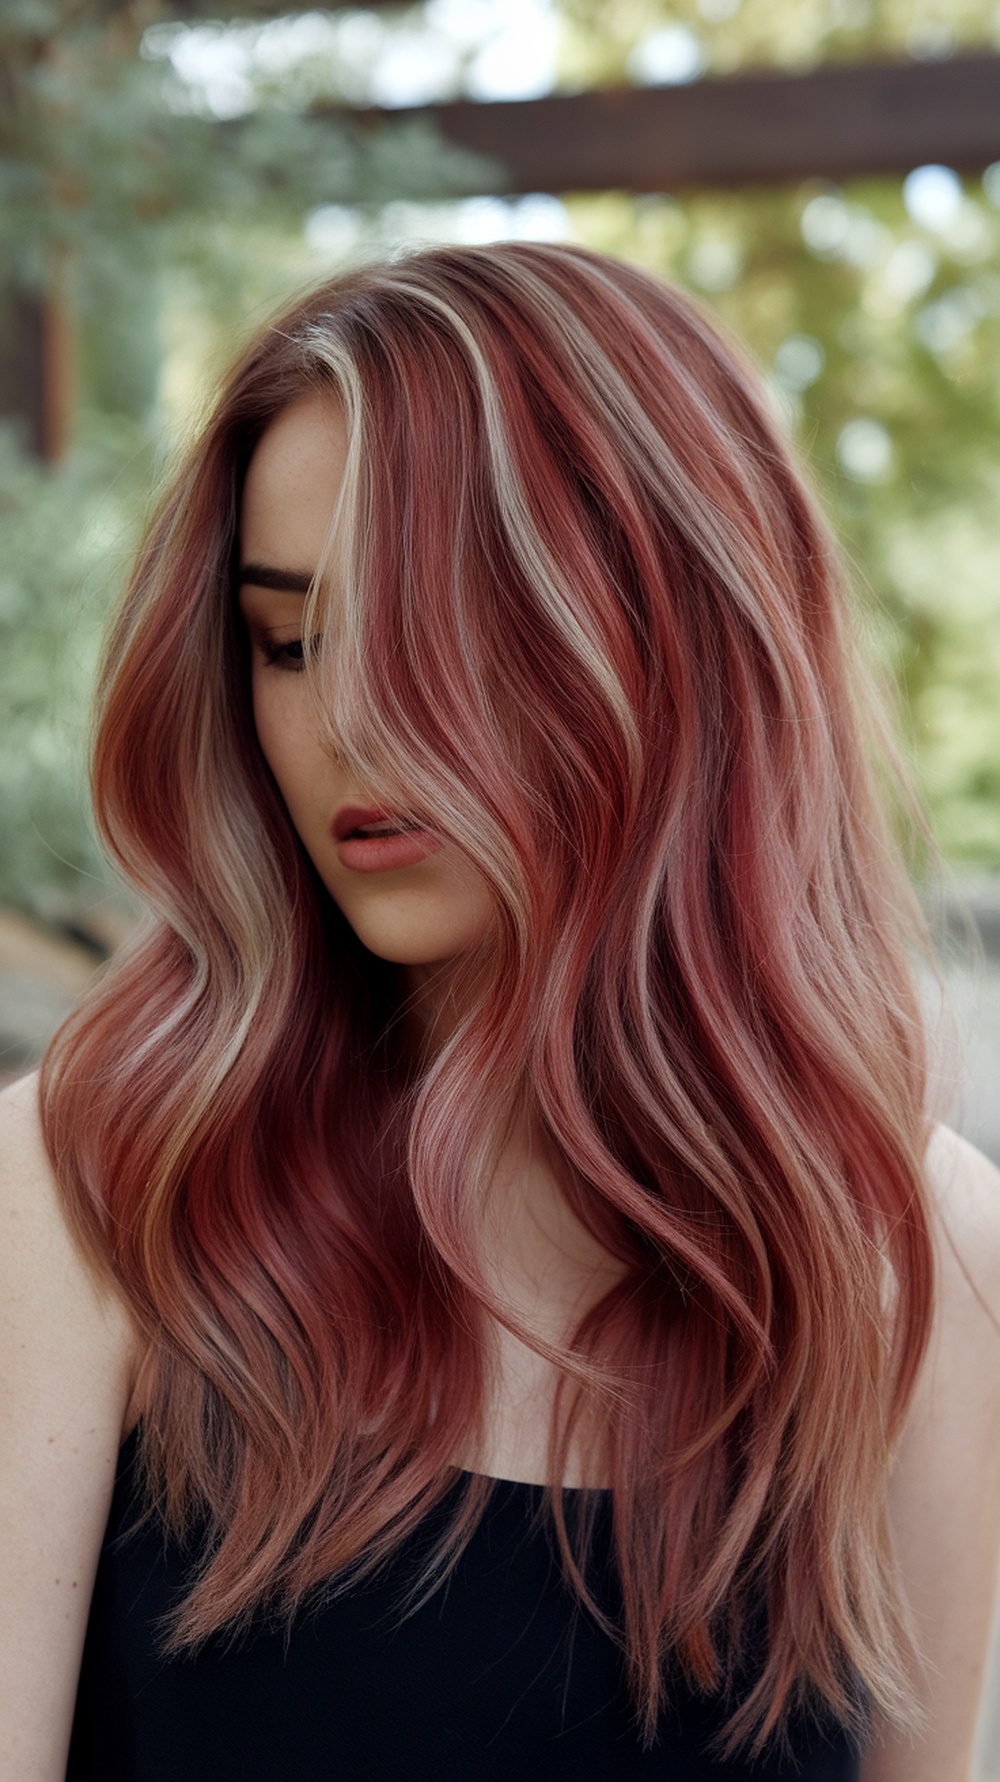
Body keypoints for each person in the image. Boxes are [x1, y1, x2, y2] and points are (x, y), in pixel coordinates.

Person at [1, 241, 998, 1782]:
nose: (342, 722)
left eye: (433, 625)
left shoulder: (919, 1258)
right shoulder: (87, 1189)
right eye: (289, 639)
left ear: (668, 632)